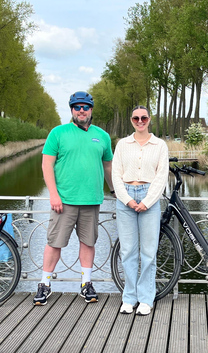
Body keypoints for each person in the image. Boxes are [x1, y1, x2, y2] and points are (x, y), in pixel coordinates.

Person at [34, 91, 113, 306]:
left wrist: (115, 190)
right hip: (64, 201)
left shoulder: (103, 136)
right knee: (54, 243)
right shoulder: (58, 133)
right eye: (77, 107)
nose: (81, 110)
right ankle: (44, 284)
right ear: (71, 110)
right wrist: (53, 194)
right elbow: (46, 165)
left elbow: (108, 166)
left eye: (85, 107)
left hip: (91, 200)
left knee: (88, 243)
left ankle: (86, 283)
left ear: (91, 110)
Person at [112, 106, 169, 316]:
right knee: (127, 251)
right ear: (131, 120)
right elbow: (116, 176)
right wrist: (127, 199)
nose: (140, 120)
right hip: (125, 197)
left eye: (144, 117)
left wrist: (147, 201)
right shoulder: (122, 145)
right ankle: (129, 298)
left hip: (149, 197)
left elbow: (161, 176)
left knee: (148, 252)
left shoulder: (160, 145)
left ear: (149, 119)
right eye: (136, 117)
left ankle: (146, 298)